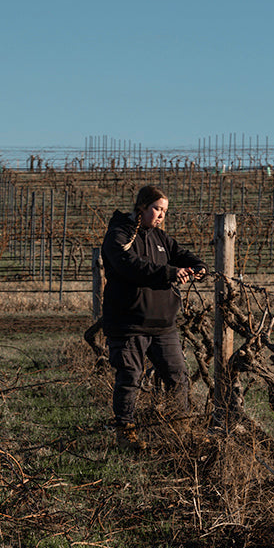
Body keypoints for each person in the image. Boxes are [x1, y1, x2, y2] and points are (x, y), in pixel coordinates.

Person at [100, 185, 206, 448]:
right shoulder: (120, 235)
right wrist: (169, 273)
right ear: (141, 207)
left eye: (165, 211)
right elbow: (130, 266)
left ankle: (176, 428)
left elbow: (181, 254)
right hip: (129, 323)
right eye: (157, 209)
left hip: (163, 325)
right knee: (129, 377)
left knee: (177, 376)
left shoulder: (161, 239)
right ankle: (126, 433)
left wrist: (198, 266)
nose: (161, 216)